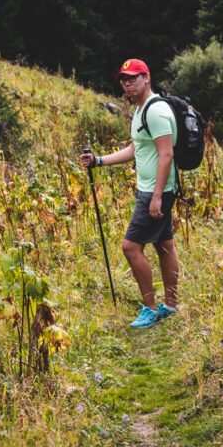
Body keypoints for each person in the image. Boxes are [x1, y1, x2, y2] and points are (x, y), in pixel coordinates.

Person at [80, 58, 180, 329]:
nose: (127, 83)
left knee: (130, 246)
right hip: (152, 189)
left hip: (155, 191)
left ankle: (150, 308)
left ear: (147, 78)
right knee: (164, 243)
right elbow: (136, 150)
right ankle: (170, 305)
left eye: (133, 77)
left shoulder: (155, 111)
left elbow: (166, 153)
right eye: (124, 79)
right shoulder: (140, 111)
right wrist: (100, 161)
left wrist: (157, 195)